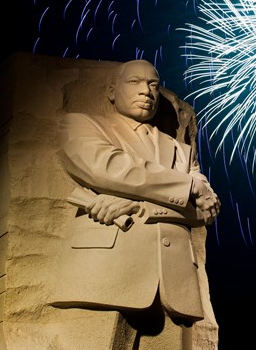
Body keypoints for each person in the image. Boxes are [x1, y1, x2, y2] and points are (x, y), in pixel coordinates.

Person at [50, 59, 221, 349]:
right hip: (106, 272)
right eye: (135, 82)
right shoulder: (81, 124)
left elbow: (203, 212)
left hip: (176, 284)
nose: (147, 91)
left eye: (153, 85)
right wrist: (188, 185)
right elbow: (109, 167)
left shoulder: (182, 151)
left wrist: (135, 205)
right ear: (112, 91)